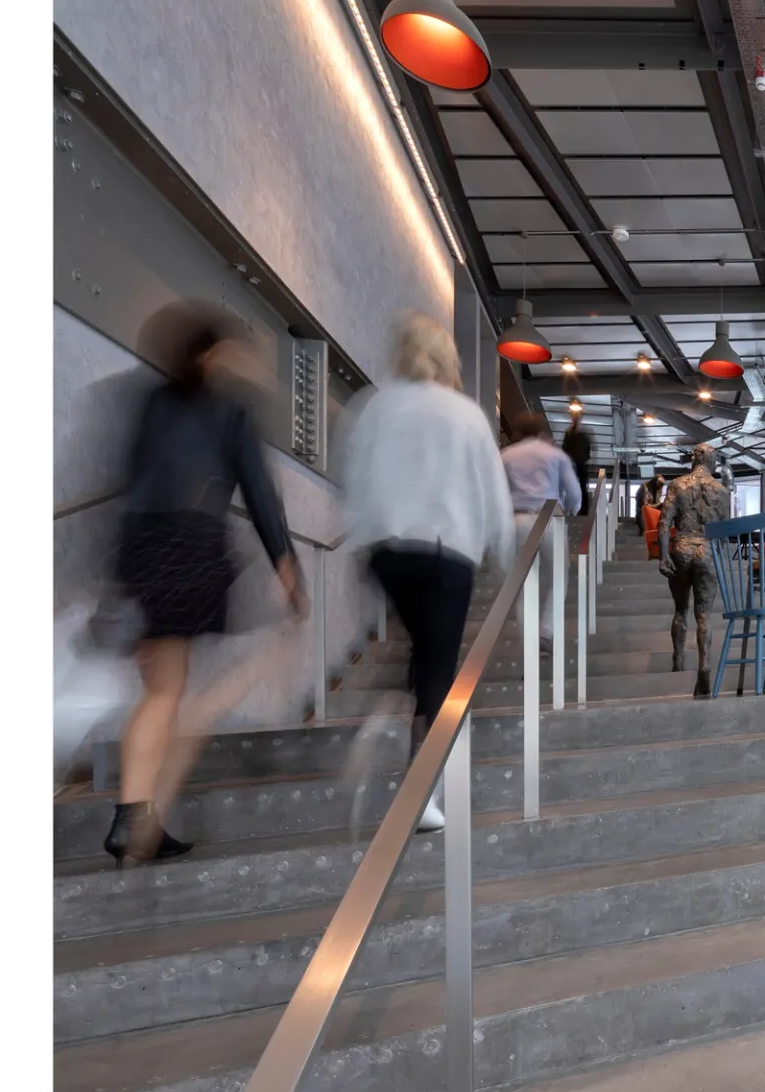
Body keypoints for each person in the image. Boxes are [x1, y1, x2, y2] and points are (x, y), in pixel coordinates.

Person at [104, 303, 307, 868]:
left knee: (158, 690)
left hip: (140, 549)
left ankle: (135, 814)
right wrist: (287, 566)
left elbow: (131, 484)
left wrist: (117, 575)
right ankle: (133, 816)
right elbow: (260, 494)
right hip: (190, 547)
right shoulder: (230, 409)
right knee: (169, 691)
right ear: (211, 354)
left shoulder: (151, 403)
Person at [339, 312, 514, 831]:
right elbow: (491, 493)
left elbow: (354, 478)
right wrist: (503, 559)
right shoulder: (463, 414)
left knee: (420, 646)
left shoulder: (375, 407)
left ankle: (392, 713)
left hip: (385, 550)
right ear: (448, 359)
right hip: (444, 553)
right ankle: (423, 791)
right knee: (440, 665)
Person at [501, 412, 582, 647]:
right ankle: (546, 630)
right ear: (541, 432)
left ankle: (528, 639)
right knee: (558, 575)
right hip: (549, 518)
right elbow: (574, 494)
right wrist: (569, 512)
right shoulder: (555, 455)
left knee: (523, 581)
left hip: (516, 520)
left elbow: (497, 493)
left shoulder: (506, 455)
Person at [658, 445, 733, 698]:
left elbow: (664, 522)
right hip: (707, 551)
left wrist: (664, 555)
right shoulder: (721, 491)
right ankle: (705, 665)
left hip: (682, 547)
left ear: (693, 460)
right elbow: (724, 534)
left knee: (681, 610)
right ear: (712, 462)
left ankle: (678, 663)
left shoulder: (677, 485)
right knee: (705, 616)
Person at [562, 412, 593, 515]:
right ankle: (575, 510)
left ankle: (580, 511)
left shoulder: (574, 435)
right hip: (575, 464)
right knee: (576, 487)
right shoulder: (579, 435)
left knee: (580, 488)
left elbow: (565, 449)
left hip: (577, 464)